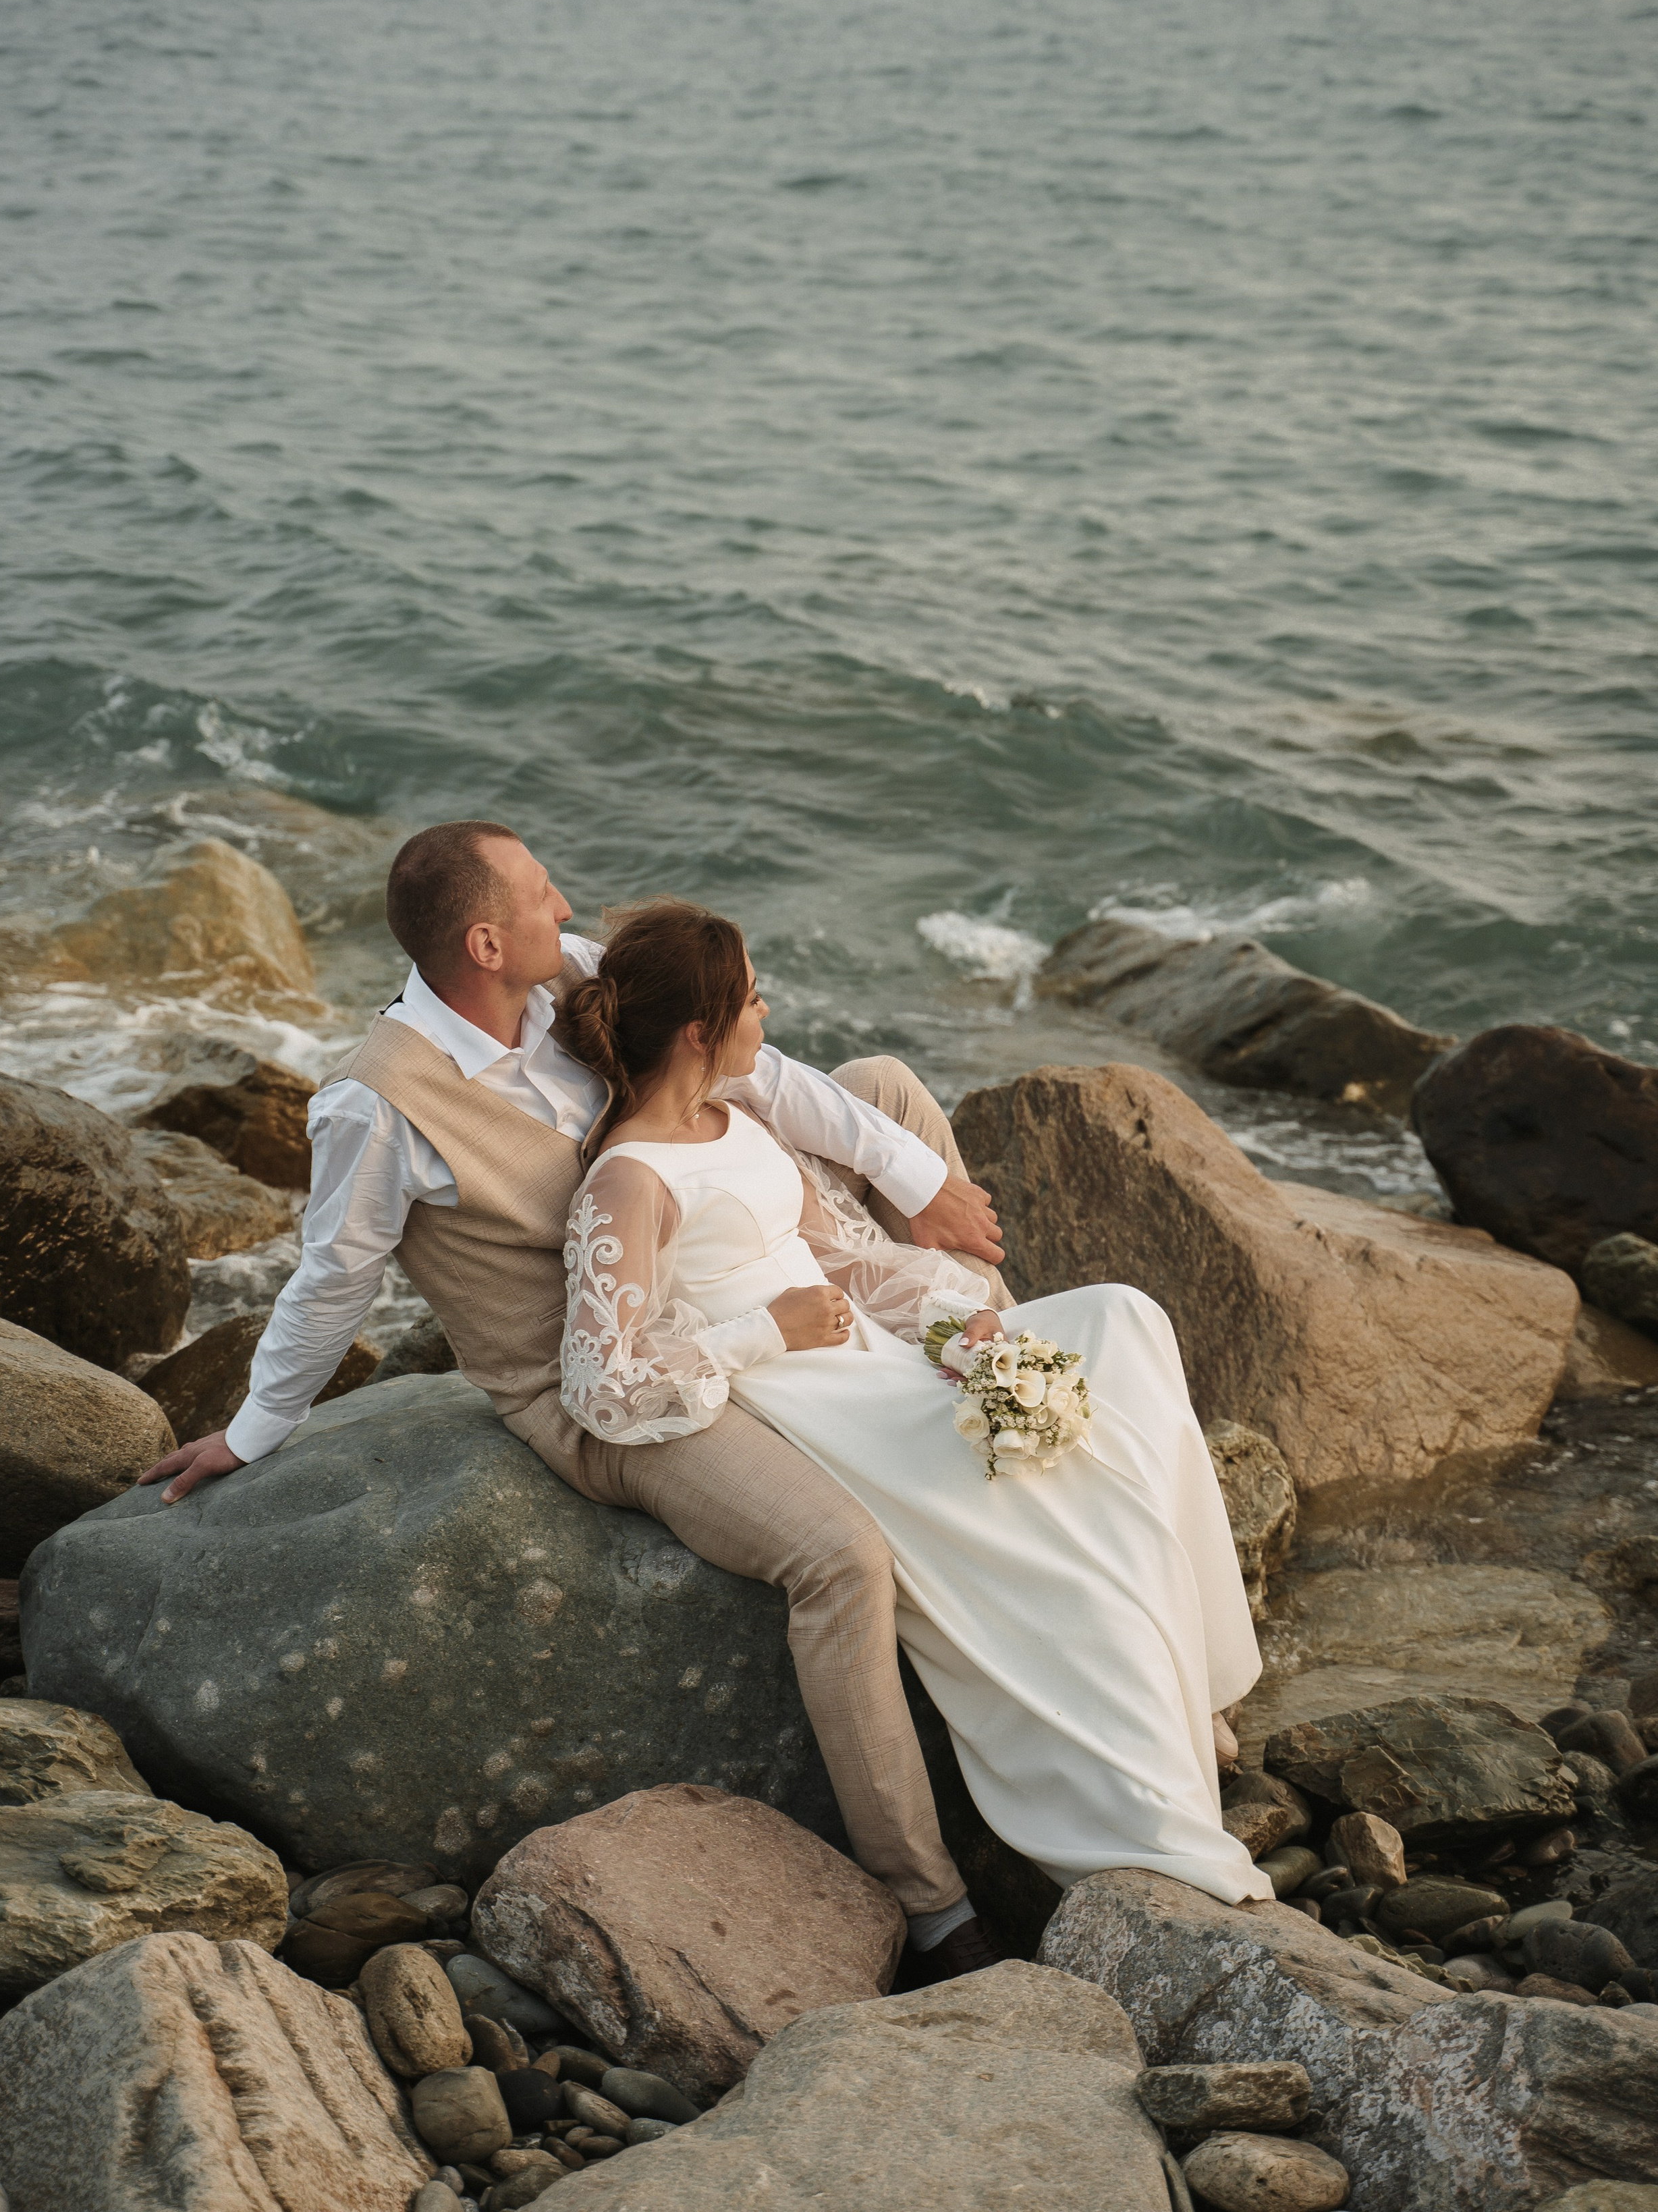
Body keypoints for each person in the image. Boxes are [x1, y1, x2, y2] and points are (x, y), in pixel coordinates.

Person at [139, 819, 1016, 1979]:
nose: (573, 910)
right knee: (840, 1559)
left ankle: (1017, 1407)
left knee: (888, 1101)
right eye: (545, 896)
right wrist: (252, 1435)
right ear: (486, 940)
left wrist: (921, 1191)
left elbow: (757, 1074)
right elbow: (330, 1283)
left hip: (725, 1257)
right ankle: (931, 1899)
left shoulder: (576, 978)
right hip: (608, 1390)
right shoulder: (379, 1105)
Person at [553, 897, 1271, 1914]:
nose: (771, 1012)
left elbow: (847, 1261)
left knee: (1122, 1319)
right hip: (810, 1404)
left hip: (876, 1361)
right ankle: (1138, 1806)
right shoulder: (627, 1182)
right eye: (754, 1000)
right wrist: (764, 1334)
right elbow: (601, 1383)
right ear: (700, 1033)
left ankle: (1190, 1690)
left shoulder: (738, 1120)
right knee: (1053, 1517)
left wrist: (958, 1319)